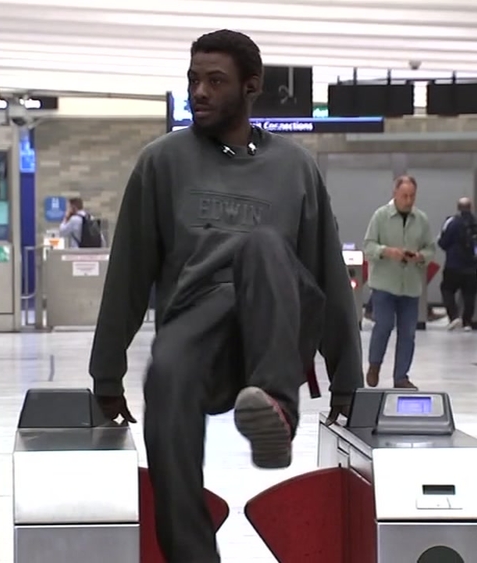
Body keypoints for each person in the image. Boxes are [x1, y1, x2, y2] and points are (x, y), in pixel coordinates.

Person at [87, 29, 363, 562]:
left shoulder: (294, 167)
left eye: (216, 81)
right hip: (198, 335)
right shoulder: (161, 162)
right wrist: (106, 373)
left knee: (262, 246)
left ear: (251, 87)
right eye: (193, 80)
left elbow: (328, 274)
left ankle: (275, 413)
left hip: (275, 325)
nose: (199, 92)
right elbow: (128, 272)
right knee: (166, 373)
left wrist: (346, 381)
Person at [362, 175, 435, 390]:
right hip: (384, 284)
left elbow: (430, 248)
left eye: (412, 196)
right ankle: (374, 364)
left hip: (410, 286)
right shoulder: (380, 216)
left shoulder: (421, 219)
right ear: (395, 193)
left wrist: (420, 256)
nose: (408, 200)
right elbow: (368, 246)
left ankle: (401, 377)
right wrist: (386, 251)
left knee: (408, 333)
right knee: (383, 325)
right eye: (404, 196)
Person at [437, 197, 477, 331]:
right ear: (470, 207)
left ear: (458, 208)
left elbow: (443, 242)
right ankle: (467, 323)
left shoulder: (452, 222)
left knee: (447, 289)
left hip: (453, 266)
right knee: (469, 295)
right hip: (472, 266)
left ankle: (454, 317)